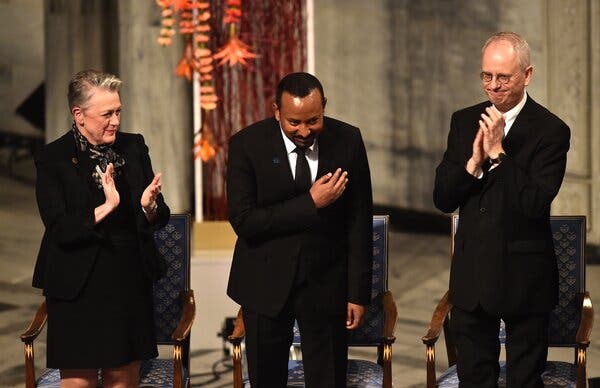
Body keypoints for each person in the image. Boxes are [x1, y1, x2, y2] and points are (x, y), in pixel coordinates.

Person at [434, 32, 570, 387]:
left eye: (503, 77)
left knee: (524, 381)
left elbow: (534, 203)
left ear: (527, 75)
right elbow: (443, 199)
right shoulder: (464, 121)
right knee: (475, 379)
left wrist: (498, 154)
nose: (493, 87)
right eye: (486, 76)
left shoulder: (551, 131)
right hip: (472, 279)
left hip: (524, 279)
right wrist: (473, 164)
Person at [226, 72, 373, 387]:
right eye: (294, 123)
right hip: (264, 285)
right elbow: (245, 221)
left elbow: (359, 222)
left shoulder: (348, 140)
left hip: (327, 284)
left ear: (324, 108)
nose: (305, 131)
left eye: (313, 121)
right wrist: (310, 203)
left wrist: (357, 293)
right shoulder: (246, 145)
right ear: (276, 111)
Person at [32, 69, 170, 387]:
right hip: (76, 285)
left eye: (118, 111)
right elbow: (59, 228)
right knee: (78, 381)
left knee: (122, 378)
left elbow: (158, 215)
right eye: (107, 114)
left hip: (127, 280)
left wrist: (150, 208)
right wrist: (104, 208)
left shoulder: (134, 148)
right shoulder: (53, 157)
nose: (116, 121)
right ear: (78, 115)